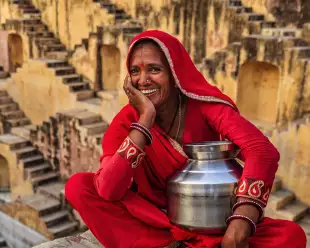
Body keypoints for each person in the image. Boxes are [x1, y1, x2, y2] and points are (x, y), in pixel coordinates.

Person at [65, 30, 307, 248]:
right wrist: (145, 121)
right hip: (155, 225)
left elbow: (261, 151)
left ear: (174, 73)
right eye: (135, 71)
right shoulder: (128, 120)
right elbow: (107, 189)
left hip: (215, 223)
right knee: (79, 187)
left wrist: (242, 221)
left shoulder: (204, 108)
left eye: (154, 69)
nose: (143, 80)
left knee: (291, 235)